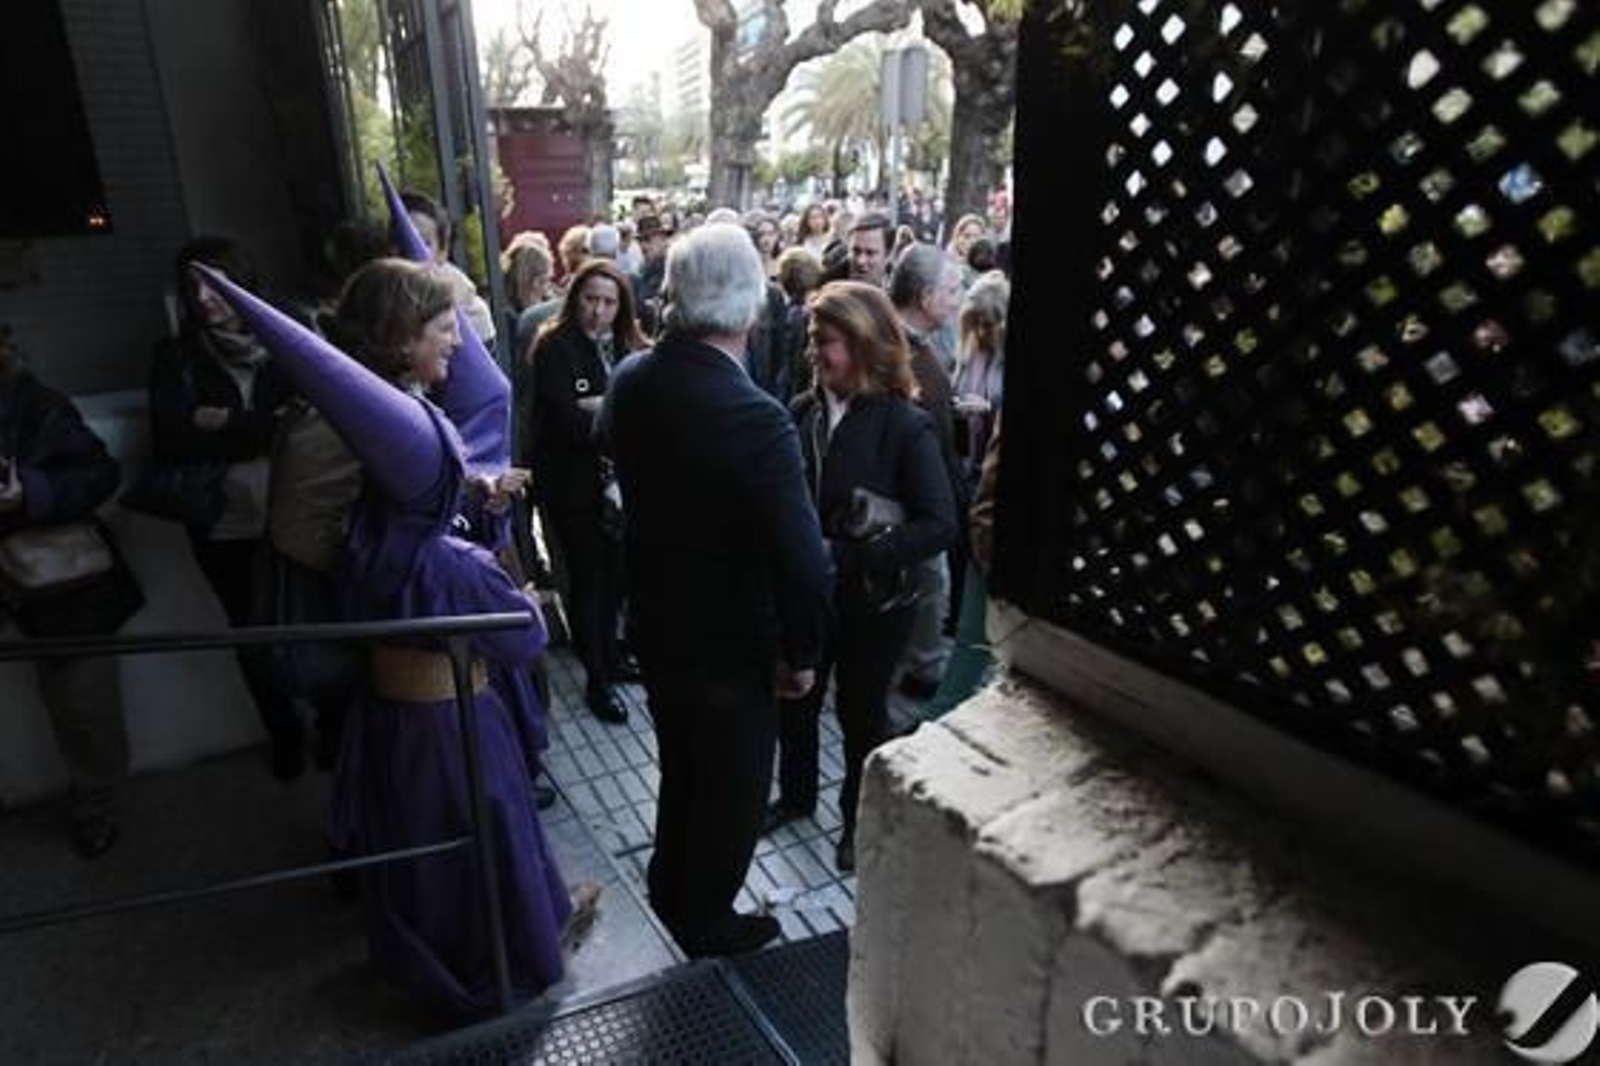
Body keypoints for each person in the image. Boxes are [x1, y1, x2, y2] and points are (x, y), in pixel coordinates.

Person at [196, 258, 591, 1020]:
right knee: (482, 838)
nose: (455, 343)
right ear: (402, 337)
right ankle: (501, 959)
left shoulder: (375, 536)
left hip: (393, 714)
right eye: (444, 329)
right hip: (456, 721)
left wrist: (469, 499)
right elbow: (523, 638)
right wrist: (518, 591)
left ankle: (431, 960)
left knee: (422, 856)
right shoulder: (444, 562)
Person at [600, 223, 831, 956]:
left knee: (682, 772)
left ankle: (669, 891)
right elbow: (802, 562)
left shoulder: (632, 379)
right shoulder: (757, 419)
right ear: (752, 310)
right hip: (734, 650)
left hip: (659, 632)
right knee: (730, 796)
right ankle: (706, 926)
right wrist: (802, 654)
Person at [770, 281, 957, 871]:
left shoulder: (906, 424)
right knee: (797, 699)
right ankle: (797, 799)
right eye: (811, 340)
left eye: (825, 342)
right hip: (809, 596)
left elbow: (939, 526)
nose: (814, 354)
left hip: (875, 604)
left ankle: (858, 820)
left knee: (861, 716)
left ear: (865, 342)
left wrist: (848, 557)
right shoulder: (801, 413)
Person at [147, 237, 303, 778]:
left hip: (297, 510)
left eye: (212, 283)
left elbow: (304, 425)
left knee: (313, 619)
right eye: (191, 287)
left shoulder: (287, 336)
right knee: (250, 635)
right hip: (223, 522)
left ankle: (332, 728)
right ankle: (285, 737)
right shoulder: (176, 357)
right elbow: (172, 438)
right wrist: (260, 428)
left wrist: (223, 422)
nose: (202, 298)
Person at [0, 324, 142, 857]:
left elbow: (100, 473)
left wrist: (28, 493)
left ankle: (97, 809)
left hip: (62, 583)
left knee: (85, 712)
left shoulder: (37, 404)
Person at [526, 260, 646, 725]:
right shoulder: (554, 345)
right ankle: (599, 678)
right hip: (572, 487)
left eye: (609, 302)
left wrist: (599, 404)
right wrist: (613, 408)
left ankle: (612, 656)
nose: (598, 311)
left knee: (616, 577)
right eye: (590, 299)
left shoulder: (627, 344)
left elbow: (635, 409)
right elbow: (566, 421)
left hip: (619, 487)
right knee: (589, 580)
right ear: (574, 297)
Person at [888, 244, 966, 699]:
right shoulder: (895, 351)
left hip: (926, 502)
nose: (958, 299)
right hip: (912, 509)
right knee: (925, 593)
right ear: (924, 296)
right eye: (952, 290)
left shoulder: (920, 344)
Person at [399, 189, 496, 344]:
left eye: (424, 243)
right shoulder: (377, 304)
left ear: (442, 253)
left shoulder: (472, 313)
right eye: (401, 241)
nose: (409, 251)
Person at [847, 212, 894, 288]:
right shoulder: (828, 294)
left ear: (888, 255)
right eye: (856, 251)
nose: (860, 261)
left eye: (870, 253)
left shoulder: (898, 297)